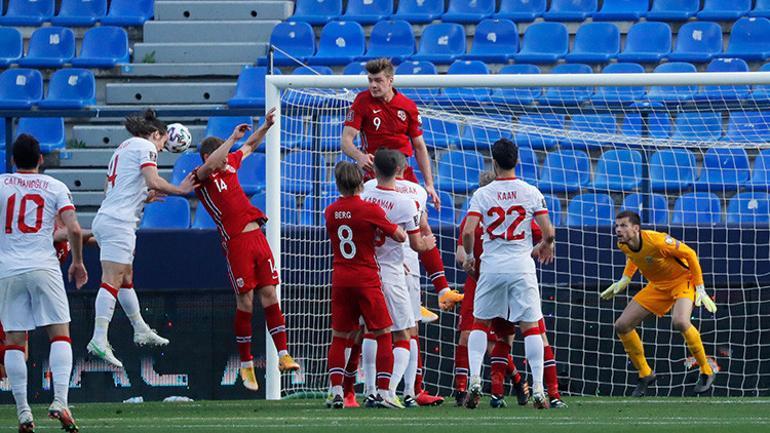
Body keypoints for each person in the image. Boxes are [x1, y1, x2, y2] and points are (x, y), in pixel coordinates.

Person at [341, 58, 462, 310]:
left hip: (403, 172)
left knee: (423, 224)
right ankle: (385, 289)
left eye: (378, 81)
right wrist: (360, 156)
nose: (373, 85)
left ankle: (442, 290)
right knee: (374, 229)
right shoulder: (362, 102)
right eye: (370, 81)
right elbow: (346, 141)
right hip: (374, 174)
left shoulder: (407, 106)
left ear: (390, 80)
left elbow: (419, 146)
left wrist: (429, 184)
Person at [193, 108, 299, 392]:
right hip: (236, 241)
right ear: (208, 156)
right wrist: (231, 138)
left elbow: (250, 146)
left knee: (269, 294)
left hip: (256, 236)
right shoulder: (201, 178)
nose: (227, 158)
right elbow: (213, 162)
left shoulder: (229, 165)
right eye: (222, 154)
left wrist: (264, 126)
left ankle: (283, 354)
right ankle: (246, 363)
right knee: (246, 301)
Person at [87, 109, 196, 368]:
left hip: (108, 219)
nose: (161, 150)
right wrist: (181, 190)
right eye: (162, 144)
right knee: (112, 279)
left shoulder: (122, 148)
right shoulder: (146, 147)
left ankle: (140, 327)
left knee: (125, 278)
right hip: (118, 223)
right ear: (157, 134)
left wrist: (141, 197)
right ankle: (99, 338)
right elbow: (153, 179)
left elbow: (111, 188)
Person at [0, 134, 88, 433]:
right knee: (60, 334)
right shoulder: (55, 187)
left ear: (12, 160)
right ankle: (60, 401)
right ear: (41, 159)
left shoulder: (1, 184)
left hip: (8, 268)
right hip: (44, 265)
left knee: (14, 339)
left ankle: (24, 412)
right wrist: (77, 262)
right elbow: (74, 228)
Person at [461, 138, 555, 409]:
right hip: (521, 267)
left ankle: (475, 380)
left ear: (494, 161)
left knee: (481, 323)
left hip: (491, 266)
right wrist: (542, 246)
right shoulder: (530, 191)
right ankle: (538, 389)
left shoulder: (483, 194)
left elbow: (468, 231)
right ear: (517, 161)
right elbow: (549, 232)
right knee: (531, 327)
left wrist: (469, 257)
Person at [601, 210, 717, 396]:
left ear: (636, 228)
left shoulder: (657, 241)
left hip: (682, 282)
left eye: (623, 225)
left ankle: (706, 370)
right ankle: (645, 373)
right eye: (617, 226)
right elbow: (634, 257)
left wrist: (700, 287)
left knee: (680, 321)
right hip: (657, 286)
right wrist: (625, 279)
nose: (618, 230)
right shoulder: (623, 244)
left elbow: (691, 254)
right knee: (622, 325)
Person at [324, 161, 407, 409]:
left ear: (338, 183)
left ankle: (335, 392)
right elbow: (400, 236)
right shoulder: (368, 209)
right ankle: (384, 392)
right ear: (361, 181)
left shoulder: (330, 211)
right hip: (366, 277)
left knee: (340, 336)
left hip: (341, 278)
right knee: (383, 333)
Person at [360, 149, 436, 408]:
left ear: (374, 170)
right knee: (405, 331)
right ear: (402, 169)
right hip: (397, 270)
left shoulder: (365, 193)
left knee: (372, 330)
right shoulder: (413, 197)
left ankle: (369, 389)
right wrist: (428, 244)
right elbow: (416, 243)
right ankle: (394, 391)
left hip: (366, 269)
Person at [454, 171, 529, 408]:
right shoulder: (472, 221)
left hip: (498, 280)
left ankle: (508, 385)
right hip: (480, 283)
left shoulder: (500, 220)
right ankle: (463, 389)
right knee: (471, 337)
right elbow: (460, 254)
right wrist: (470, 263)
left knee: (495, 339)